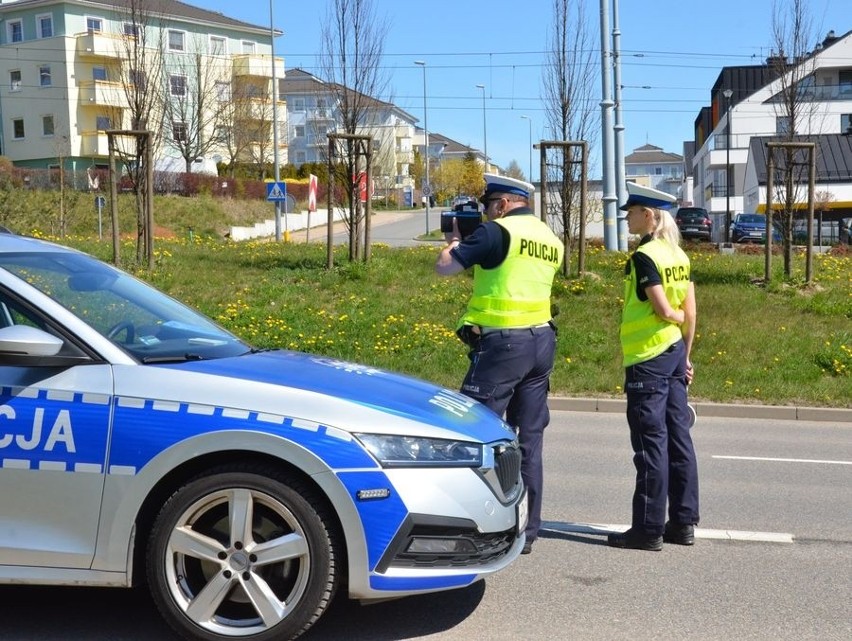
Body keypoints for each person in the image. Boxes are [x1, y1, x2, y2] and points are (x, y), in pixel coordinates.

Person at [435, 174, 563, 556]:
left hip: (504, 346)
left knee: (471, 433)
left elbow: (445, 268)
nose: (487, 214)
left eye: (490, 206)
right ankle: (528, 529)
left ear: (504, 204)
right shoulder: (549, 239)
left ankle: (474, 527)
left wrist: (454, 242)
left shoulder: (497, 233)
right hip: (542, 341)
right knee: (530, 439)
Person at [607, 182, 699, 552]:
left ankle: (647, 530)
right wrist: (686, 355)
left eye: (631, 212)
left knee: (650, 445)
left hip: (648, 359)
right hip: (675, 353)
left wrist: (672, 318)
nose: (626, 218)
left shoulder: (645, 257)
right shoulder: (678, 254)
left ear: (649, 216)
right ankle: (683, 522)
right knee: (680, 439)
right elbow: (692, 313)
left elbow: (665, 309)